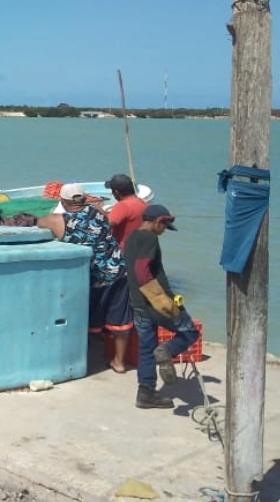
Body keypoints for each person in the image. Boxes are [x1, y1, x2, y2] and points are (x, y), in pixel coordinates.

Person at [37, 183, 133, 374]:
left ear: (62, 201)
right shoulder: (99, 212)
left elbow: (40, 222)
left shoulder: (58, 220)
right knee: (120, 317)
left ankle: (83, 361)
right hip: (118, 269)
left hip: (92, 275)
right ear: (84, 198)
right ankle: (119, 362)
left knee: (88, 318)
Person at [123, 204, 201, 409]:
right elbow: (141, 271)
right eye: (164, 226)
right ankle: (167, 350)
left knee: (147, 349)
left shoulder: (131, 237)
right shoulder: (149, 238)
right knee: (189, 331)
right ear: (158, 222)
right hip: (154, 303)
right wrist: (160, 299)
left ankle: (146, 394)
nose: (164, 231)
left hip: (138, 303)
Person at [106, 173, 147, 246]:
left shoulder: (123, 206)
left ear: (116, 192)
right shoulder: (142, 203)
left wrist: (98, 209)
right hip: (139, 248)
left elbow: (106, 224)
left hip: (123, 251)